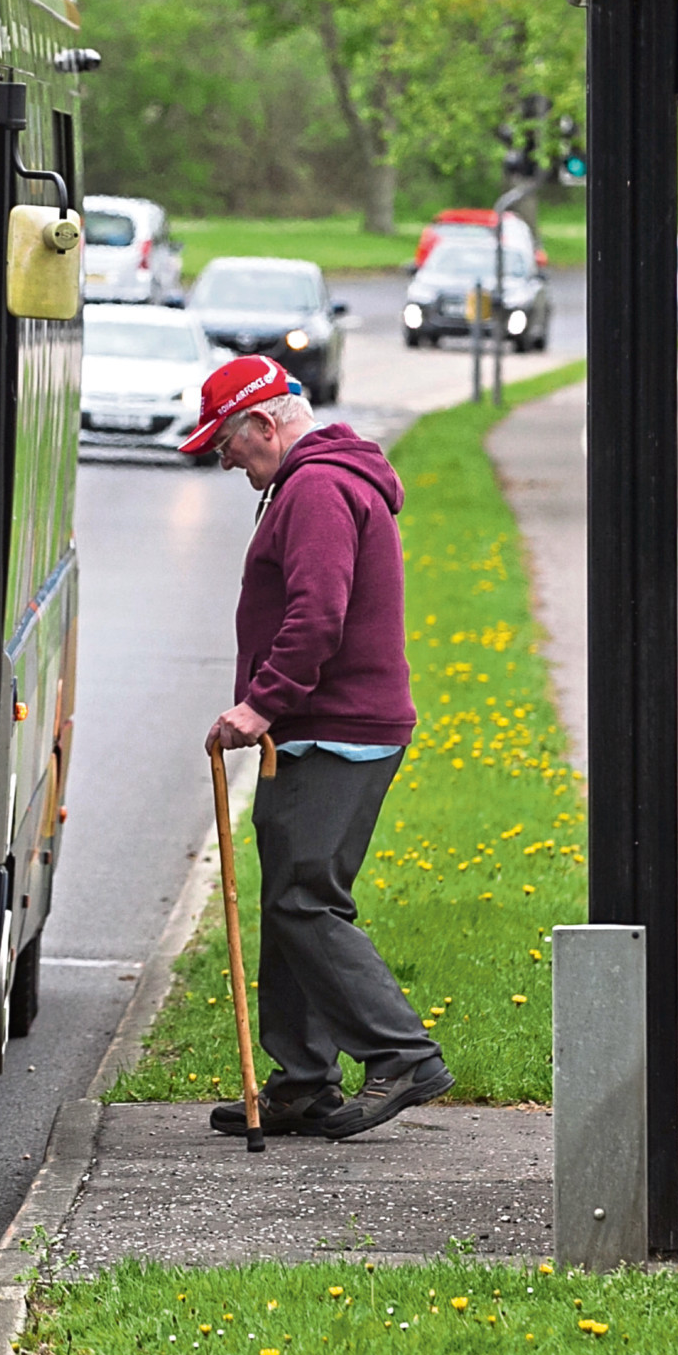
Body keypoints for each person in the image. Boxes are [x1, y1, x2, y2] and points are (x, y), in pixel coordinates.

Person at [181, 354, 449, 1140]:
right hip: (322, 729)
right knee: (289, 900)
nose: (224, 459)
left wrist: (260, 706)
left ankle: (402, 1056)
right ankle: (303, 1077)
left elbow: (317, 617)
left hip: (337, 728)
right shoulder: (310, 483)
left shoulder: (318, 488)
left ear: (265, 424)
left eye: (228, 442)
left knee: (306, 901)